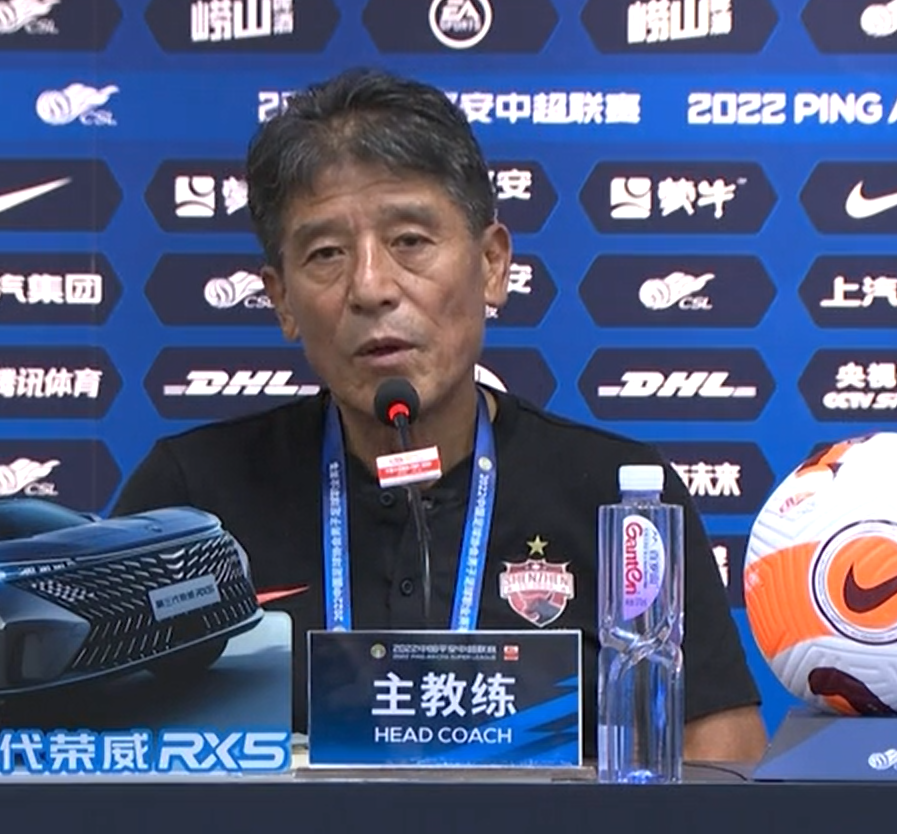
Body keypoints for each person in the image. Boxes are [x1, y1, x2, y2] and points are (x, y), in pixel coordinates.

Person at [112, 67, 768, 762]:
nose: (371, 287)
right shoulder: (193, 502)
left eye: (410, 241)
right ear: (280, 300)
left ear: (492, 265)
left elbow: (718, 753)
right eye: (326, 253)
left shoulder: (618, 497)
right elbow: (85, 746)